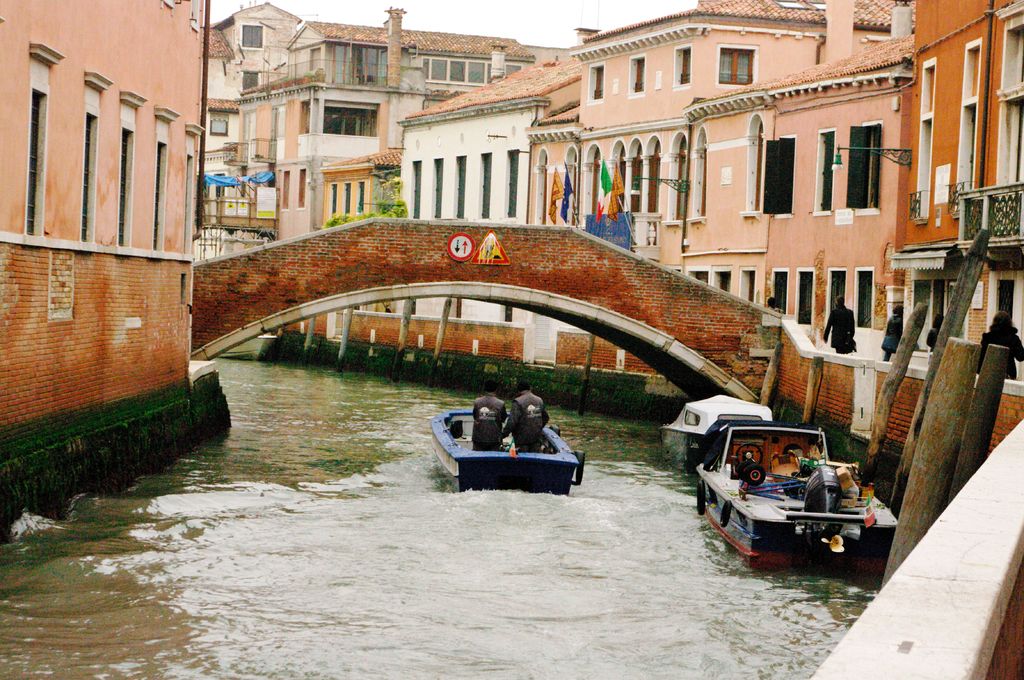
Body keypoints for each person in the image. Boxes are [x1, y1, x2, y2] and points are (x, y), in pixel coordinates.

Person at [502, 381, 550, 453]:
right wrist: (538, 428)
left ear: (519, 390)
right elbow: (546, 417)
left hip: (521, 439)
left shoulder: (517, 402)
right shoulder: (539, 400)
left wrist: (504, 434)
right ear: (530, 388)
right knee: (535, 457)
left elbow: (512, 422)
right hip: (536, 437)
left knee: (523, 457)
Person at [980, 311, 1024, 379]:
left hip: (990, 372)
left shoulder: (988, 337)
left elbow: (982, 356)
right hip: (1008, 373)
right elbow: (1020, 357)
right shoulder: (1013, 338)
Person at [472, 379, 507, 451]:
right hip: (494, 438)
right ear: (496, 389)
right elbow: (503, 418)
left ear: (484, 388)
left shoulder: (477, 402)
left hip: (478, 438)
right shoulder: (501, 403)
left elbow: (475, 416)